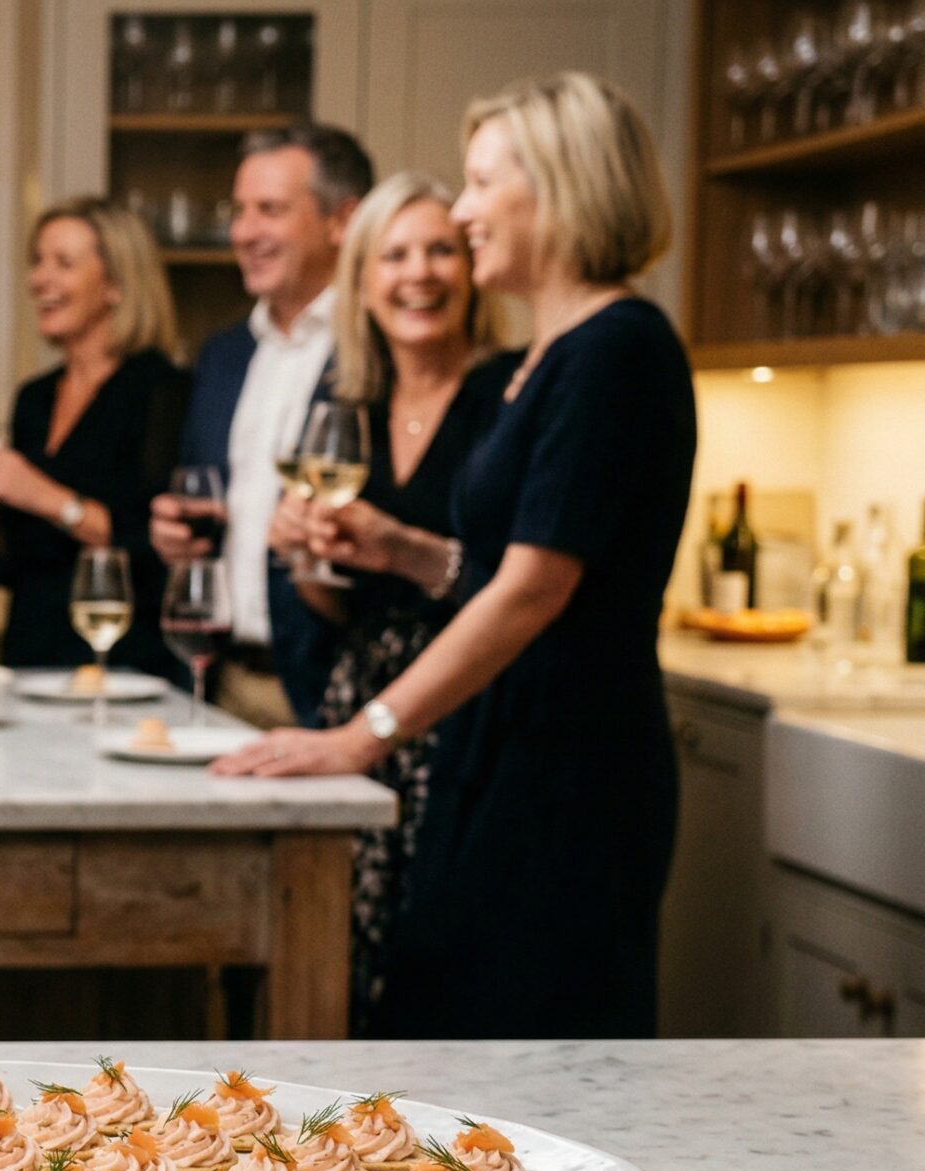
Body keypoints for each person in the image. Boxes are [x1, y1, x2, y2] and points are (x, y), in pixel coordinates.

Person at [216, 72, 694, 1040]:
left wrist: (359, 738)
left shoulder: (615, 349)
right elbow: (484, 574)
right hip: (498, 750)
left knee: (529, 1064)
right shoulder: (550, 357)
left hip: (568, 770)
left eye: (480, 185)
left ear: (557, 187)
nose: (464, 210)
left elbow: (530, 591)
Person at [263, 173, 510, 1034]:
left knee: (453, 970)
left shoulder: (507, 395)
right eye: (395, 254)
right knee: (352, 967)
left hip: (471, 712)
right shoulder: (351, 407)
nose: (420, 273)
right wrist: (306, 554)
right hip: (359, 708)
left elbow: (514, 584)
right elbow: (337, 608)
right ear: (364, 278)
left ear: (473, 267)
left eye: (441, 248)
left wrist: (400, 549)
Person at [148, 124, 375, 727]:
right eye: (240, 212)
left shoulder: (377, 349)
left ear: (342, 220)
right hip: (214, 680)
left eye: (269, 210)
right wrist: (178, 536)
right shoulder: (223, 355)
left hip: (327, 690)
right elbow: (210, 504)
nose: (243, 232)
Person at [0, 197, 188, 679]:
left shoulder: (162, 390)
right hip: (29, 655)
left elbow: (153, 548)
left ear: (116, 285)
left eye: (63, 263)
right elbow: (26, 557)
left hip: (125, 665)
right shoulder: (34, 398)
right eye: (37, 262)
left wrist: (39, 495)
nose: (39, 280)